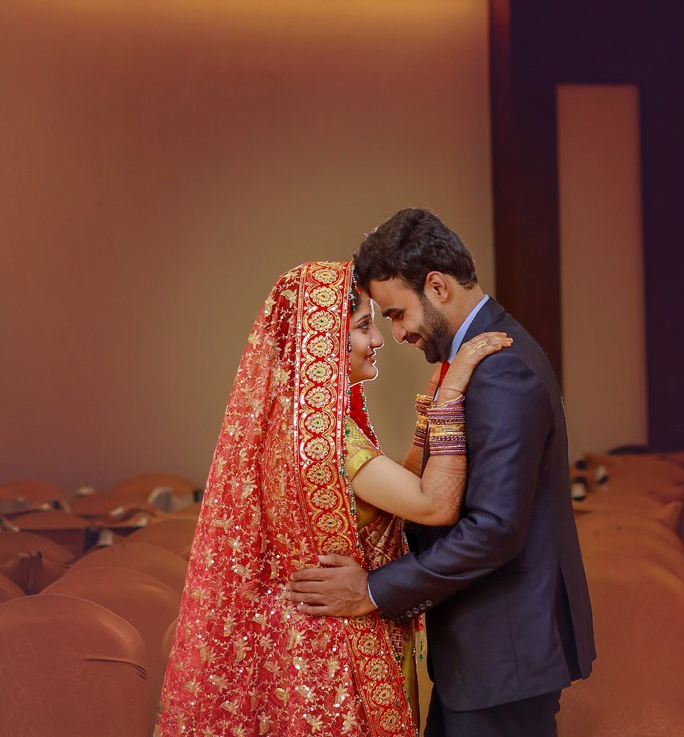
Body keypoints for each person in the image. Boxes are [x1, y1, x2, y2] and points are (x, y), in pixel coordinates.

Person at [156, 259, 509, 737]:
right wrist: (452, 396)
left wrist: (427, 409)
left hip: (299, 644)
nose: (379, 340)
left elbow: (398, 496)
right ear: (321, 342)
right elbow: (434, 505)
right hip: (339, 653)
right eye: (365, 327)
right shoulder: (326, 439)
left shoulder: (285, 429)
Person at [288, 209, 596, 737]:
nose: (398, 332)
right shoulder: (481, 359)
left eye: (397, 314)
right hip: (485, 654)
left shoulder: (499, 367)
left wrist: (373, 591)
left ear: (438, 286)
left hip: (504, 654)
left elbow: (494, 528)